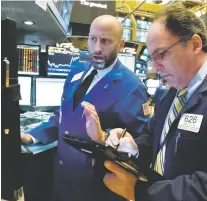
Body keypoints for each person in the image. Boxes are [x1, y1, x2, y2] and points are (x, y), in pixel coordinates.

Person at [85, 4, 207, 201]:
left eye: (161, 54)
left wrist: (141, 192)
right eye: (151, 58)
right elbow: (153, 135)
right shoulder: (172, 93)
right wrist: (132, 146)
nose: (155, 67)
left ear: (194, 44)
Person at [21, 15, 149, 201]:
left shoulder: (132, 87)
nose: (97, 48)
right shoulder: (76, 71)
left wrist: (104, 135)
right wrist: (33, 135)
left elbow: (137, 143)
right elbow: (63, 114)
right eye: (93, 39)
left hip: (96, 188)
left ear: (121, 45)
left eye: (105, 41)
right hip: (62, 179)